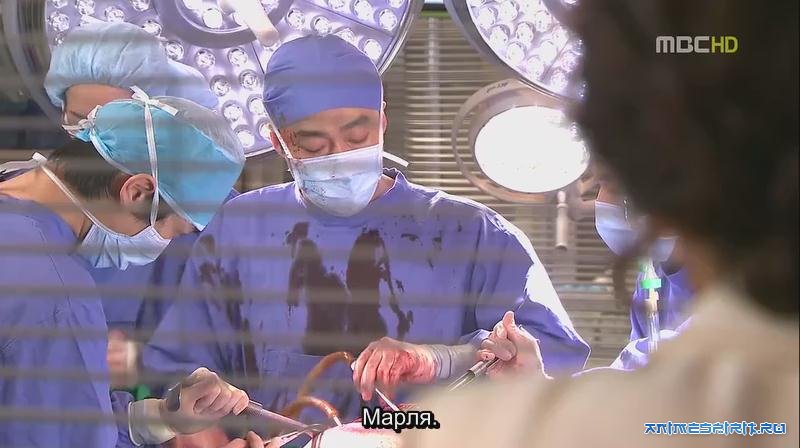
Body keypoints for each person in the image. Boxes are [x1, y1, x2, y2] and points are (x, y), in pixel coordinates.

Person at [143, 34, 589, 432]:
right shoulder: (240, 229)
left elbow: (547, 358)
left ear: (383, 120)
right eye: (313, 145)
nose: (340, 155)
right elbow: (180, 371)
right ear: (277, 142)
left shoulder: (473, 234)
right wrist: (199, 408)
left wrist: (438, 359)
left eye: (357, 135)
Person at [403, 1, 798, 447]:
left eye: (607, 179)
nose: (602, 200)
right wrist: (537, 383)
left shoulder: (473, 431)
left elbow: (661, 417)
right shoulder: (662, 288)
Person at [0, 93, 253, 447]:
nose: (163, 245)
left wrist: (159, 419)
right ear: (137, 192)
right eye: (172, 231)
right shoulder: (56, 298)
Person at [43, 20, 235, 391]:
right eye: (79, 122)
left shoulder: (193, 208)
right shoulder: (36, 207)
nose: (92, 142)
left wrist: (144, 365)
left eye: (110, 124)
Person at [592, 168, 694, 369]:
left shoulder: (727, 281)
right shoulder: (650, 280)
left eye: (611, 187)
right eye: (600, 186)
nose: (601, 202)